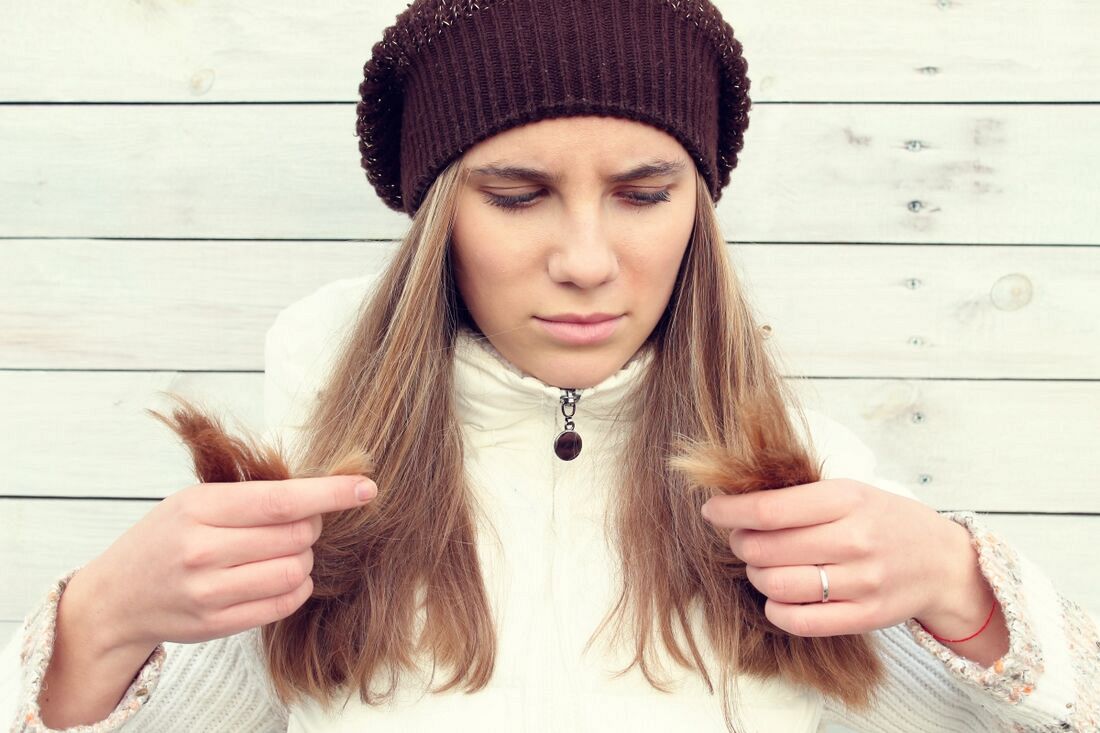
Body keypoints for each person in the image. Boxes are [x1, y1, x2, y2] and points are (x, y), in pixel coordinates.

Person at [3, 0, 1099, 730]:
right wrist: (98, 621)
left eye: (642, 192)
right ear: (438, 218)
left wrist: (968, 588)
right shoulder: (304, 476)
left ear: (699, 211)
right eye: (516, 194)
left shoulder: (805, 478)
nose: (583, 260)